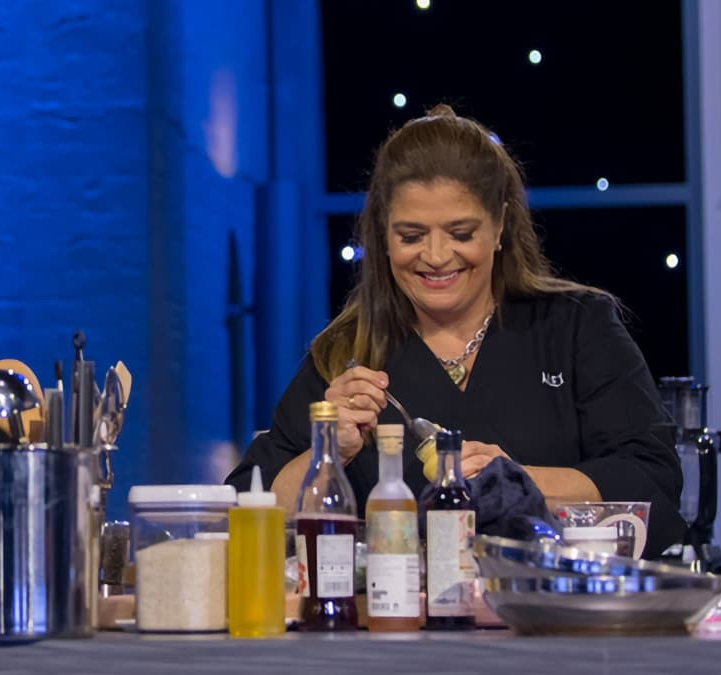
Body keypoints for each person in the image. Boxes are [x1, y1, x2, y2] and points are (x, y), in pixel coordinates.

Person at [226, 104, 685, 555]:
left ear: (501, 225)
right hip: (394, 624)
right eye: (411, 236)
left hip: (551, 619)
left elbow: (651, 481)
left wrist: (518, 482)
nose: (437, 255)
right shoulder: (346, 353)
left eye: (461, 233)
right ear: (382, 236)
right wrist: (329, 453)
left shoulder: (575, 327)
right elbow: (246, 507)